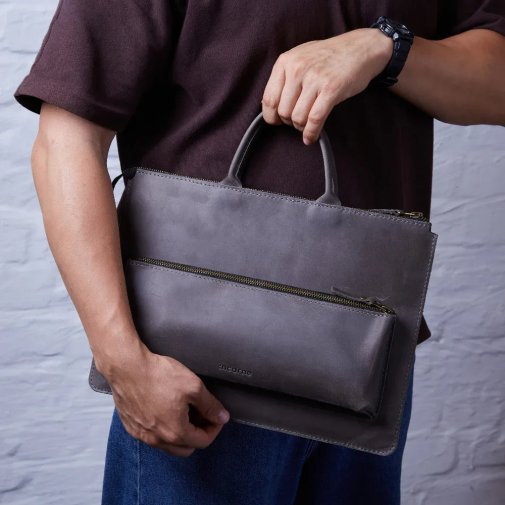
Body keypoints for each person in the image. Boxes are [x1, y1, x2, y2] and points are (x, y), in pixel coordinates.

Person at [13, 0, 505, 503]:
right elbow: (67, 140)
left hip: (368, 367)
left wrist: (384, 49)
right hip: (199, 377)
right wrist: (122, 360)